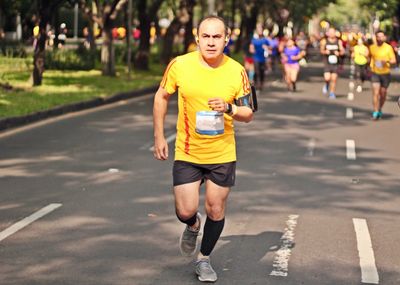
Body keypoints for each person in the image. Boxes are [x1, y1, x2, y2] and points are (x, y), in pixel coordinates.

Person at [152, 15, 254, 282]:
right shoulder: (179, 65)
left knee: (216, 209)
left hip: (222, 153)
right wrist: (159, 136)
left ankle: (204, 259)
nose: (210, 42)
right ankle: (193, 225)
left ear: (226, 39)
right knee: (185, 211)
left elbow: (248, 112)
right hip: (187, 151)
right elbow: (161, 96)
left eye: (216, 37)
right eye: (206, 37)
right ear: (197, 38)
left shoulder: (237, 71)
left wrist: (229, 108)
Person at [369, 30, 397, 120]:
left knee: (383, 94)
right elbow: (369, 57)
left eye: (382, 36)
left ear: (384, 37)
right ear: (376, 38)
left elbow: (394, 60)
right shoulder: (372, 47)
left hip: (385, 73)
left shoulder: (388, 48)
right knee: (375, 93)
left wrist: (386, 61)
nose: (380, 38)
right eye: (378, 36)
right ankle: (375, 111)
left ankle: (380, 108)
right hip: (375, 73)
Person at [320, 27, 345, 99]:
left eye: (333, 32)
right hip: (327, 63)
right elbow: (321, 50)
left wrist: (339, 53)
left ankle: (332, 93)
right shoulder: (324, 41)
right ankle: (327, 84)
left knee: (334, 79)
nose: (331, 34)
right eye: (330, 32)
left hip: (335, 63)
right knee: (327, 78)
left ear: (335, 33)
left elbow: (342, 51)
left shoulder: (338, 41)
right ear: (328, 33)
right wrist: (325, 52)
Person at [250, 24, 269, 91]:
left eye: (261, 29)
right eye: (258, 30)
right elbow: (251, 48)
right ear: (257, 31)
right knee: (257, 71)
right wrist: (252, 50)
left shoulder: (265, 39)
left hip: (263, 58)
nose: (260, 31)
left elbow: (270, 47)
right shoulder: (254, 40)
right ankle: (257, 84)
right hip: (256, 58)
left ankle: (261, 83)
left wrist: (266, 47)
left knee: (262, 71)